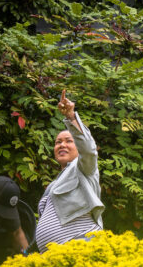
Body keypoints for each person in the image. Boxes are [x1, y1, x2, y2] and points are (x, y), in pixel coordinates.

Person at [35, 90, 104, 253]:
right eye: (58, 142)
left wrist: (71, 117)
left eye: (68, 141)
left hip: (81, 248)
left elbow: (88, 150)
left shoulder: (84, 168)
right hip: (55, 257)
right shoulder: (54, 183)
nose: (62, 145)